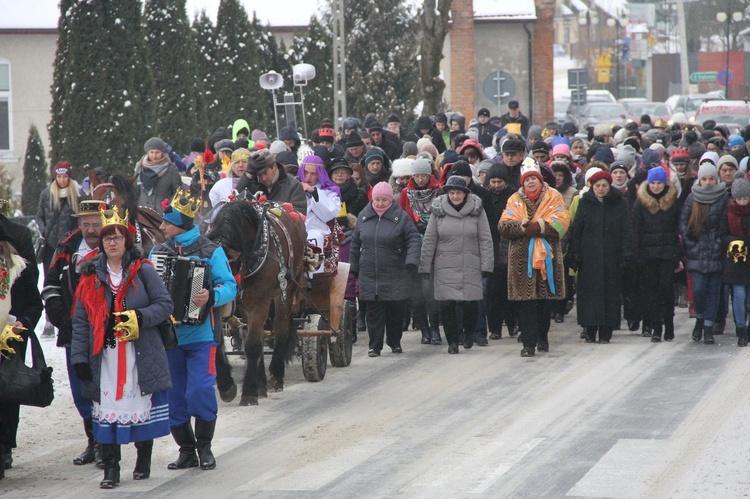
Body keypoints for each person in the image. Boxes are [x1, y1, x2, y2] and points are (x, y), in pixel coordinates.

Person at [71, 207, 174, 489]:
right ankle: (111, 470)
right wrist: (79, 357)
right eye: (107, 240)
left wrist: (140, 317)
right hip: (105, 355)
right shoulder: (90, 276)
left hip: (137, 352)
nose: (112, 244)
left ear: (127, 241)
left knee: (138, 404)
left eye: (117, 238)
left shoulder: (144, 271)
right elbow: (80, 321)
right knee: (107, 408)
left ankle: (143, 459)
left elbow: (165, 305)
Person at [151, 189, 236, 472]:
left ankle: (205, 448)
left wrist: (211, 297)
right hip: (169, 338)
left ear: (180, 225)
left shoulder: (212, 251)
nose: (161, 227)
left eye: (166, 222)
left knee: (199, 390)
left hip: (201, 335)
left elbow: (230, 286)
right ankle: (186, 450)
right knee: (174, 396)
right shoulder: (158, 253)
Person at [42, 200, 107, 468]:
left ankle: (107, 443)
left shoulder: (115, 246)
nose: (91, 230)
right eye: (86, 224)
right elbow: (50, 287)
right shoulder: (66, 249)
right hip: (74, 333)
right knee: (82, 388)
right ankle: (93, 441)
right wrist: (62, 320)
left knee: (105, 387)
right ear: (79, 224)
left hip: (108, 333)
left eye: (96, 224)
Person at [499, 161, 570, 356]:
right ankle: (528, 344)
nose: (530, 182)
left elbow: (562, 221)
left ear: (540, 180)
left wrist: (541, 226)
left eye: (533, 179)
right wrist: (522, 226)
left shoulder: (553, 196)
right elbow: (503, 225)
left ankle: (543, 337)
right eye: (527, 179)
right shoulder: (514, 199)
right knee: (526, 304)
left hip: (547, 257)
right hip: (522, 260)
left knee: (544, 303)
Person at [419, 176, 493, 354]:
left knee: (470, 303)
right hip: (445, 265)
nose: (455, 196)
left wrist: (487, 265)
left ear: (465, 193)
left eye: (458, 192)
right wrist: (424, 266)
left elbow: (485, 238)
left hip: (471, 263)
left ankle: (468, 333)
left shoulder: (477, 210)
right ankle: (452, 340)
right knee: (446, 305)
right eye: (452, 193)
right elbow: (429, 239)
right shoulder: (438, 211)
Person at [351, 182, 422, 357]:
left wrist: (411, 260)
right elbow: (355, 243)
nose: (380, 203)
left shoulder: (401, 217)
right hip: (370, 273)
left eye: (384, 200)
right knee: (373, 313)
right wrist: (353, 266)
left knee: (395, 311)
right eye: (377, 199)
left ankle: (394, 341)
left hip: (395, 271)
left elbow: (414, 239)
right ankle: (374, 346)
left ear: (390, 200)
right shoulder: (364, 216)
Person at [566, 170, 634, 344]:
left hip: (612, 256)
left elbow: (626, 230)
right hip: (589, 258)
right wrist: (574, 253)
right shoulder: (584, 203)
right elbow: (577, 230)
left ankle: (606, 331)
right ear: (591, 186)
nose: (601, 189)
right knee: (589, 294)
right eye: (597, 186)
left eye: (604, 185)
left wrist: (626, 253)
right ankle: (589, 329)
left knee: (610, 294)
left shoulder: (619, 203)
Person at [0, 216, 43, 480]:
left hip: (8, 338)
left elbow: (33, 304)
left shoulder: (17, 267)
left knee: (6, 393)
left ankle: (4, 446)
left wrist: (21, 325)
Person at [679, 162, 729, 344]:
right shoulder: (693, 198)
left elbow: (727, 223)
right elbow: (683, 223)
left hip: (717, 252)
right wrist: (690, 242)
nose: (708, 182)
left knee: (714, 291)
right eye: (704, 179)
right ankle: (700, 319)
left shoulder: (723, 197)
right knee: (699, 289)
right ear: (699, 180)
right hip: (697, 252)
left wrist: (720, 243)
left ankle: (708, 327)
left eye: (711, 178)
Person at [631, 168, 680, 342]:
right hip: (648, 255)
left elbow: (677, 230)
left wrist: (677, 255)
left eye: (659, 183)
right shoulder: (641, 203)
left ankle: (669, 324)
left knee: (666, 290)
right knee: (651, 292)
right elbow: (635, 230)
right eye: (653, 183)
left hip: (667, 255)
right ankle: (656, 327)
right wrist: (637, 254)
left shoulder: (673, 202)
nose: (656, 186)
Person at [36, 161, 84, 337]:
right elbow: (39, 216)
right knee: (50, 281)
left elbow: (83, 217)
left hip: (69, 247)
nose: (62, 180)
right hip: (50, 246)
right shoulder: (46, 194)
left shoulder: (78, 195)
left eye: (65, 176)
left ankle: (68, 316)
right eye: (59, 176)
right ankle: (49, 319)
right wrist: (44, 231)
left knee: (68, 281)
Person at [399, 158, 443, 345]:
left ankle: (434, 329)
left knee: (431, 292)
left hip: (433, 246)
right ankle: (424, 330)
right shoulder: (405, 194)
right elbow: (401, 218)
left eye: (423, 175)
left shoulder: (438, 192)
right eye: (416, 175)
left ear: (429, 174)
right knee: (416, 294)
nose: (420, 179)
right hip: (412, 246)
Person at [484, 163, 518, 339]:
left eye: (499, 181)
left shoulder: (513, 196)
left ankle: (512, 324)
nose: (496, 185)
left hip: (509, 247)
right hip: (492, 247)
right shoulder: (486, 195)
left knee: (509, 291)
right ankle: (495, 328)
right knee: (493, 293)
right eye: (493, 181)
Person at [235, 149, 307, 214]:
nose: (263, 178)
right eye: (259, 175)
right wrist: (248, 174)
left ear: (275, 166)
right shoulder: (252, 183)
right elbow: (235, 202)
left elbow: (299, 217)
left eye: (265, 173)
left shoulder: (293, 186)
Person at [723, 171, 750, 347]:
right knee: (739, 295)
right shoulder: (728, 212)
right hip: (736, 258)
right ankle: (740, 328)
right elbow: (722, 234)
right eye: (739, 199)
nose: (742, 202)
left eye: (745, 199)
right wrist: (734, 241)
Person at [297, 155, 342, 252]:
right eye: (306, 172)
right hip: (295, 231)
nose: (308, 177)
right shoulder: (293, 186)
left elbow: (330, 213)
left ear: (319, 174)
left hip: (316, 233)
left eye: (313, 173)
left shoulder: (331, 191)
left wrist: (313, 192)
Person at [134, 137, 182, 215]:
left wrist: (169, 204)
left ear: (162, 153)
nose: (154, 156)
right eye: (151, 152)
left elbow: (178, 192)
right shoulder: (140, 167)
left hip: (163, 215)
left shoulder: (171, 170)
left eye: (157, 152)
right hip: (142, 214)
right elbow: (135, 191)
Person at [208, 148, 250, 216]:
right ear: (232, 166)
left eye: (244, 161)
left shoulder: (258, 183)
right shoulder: (220, 185)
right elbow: (212, 216)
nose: (241, 165)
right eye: (237, 162)